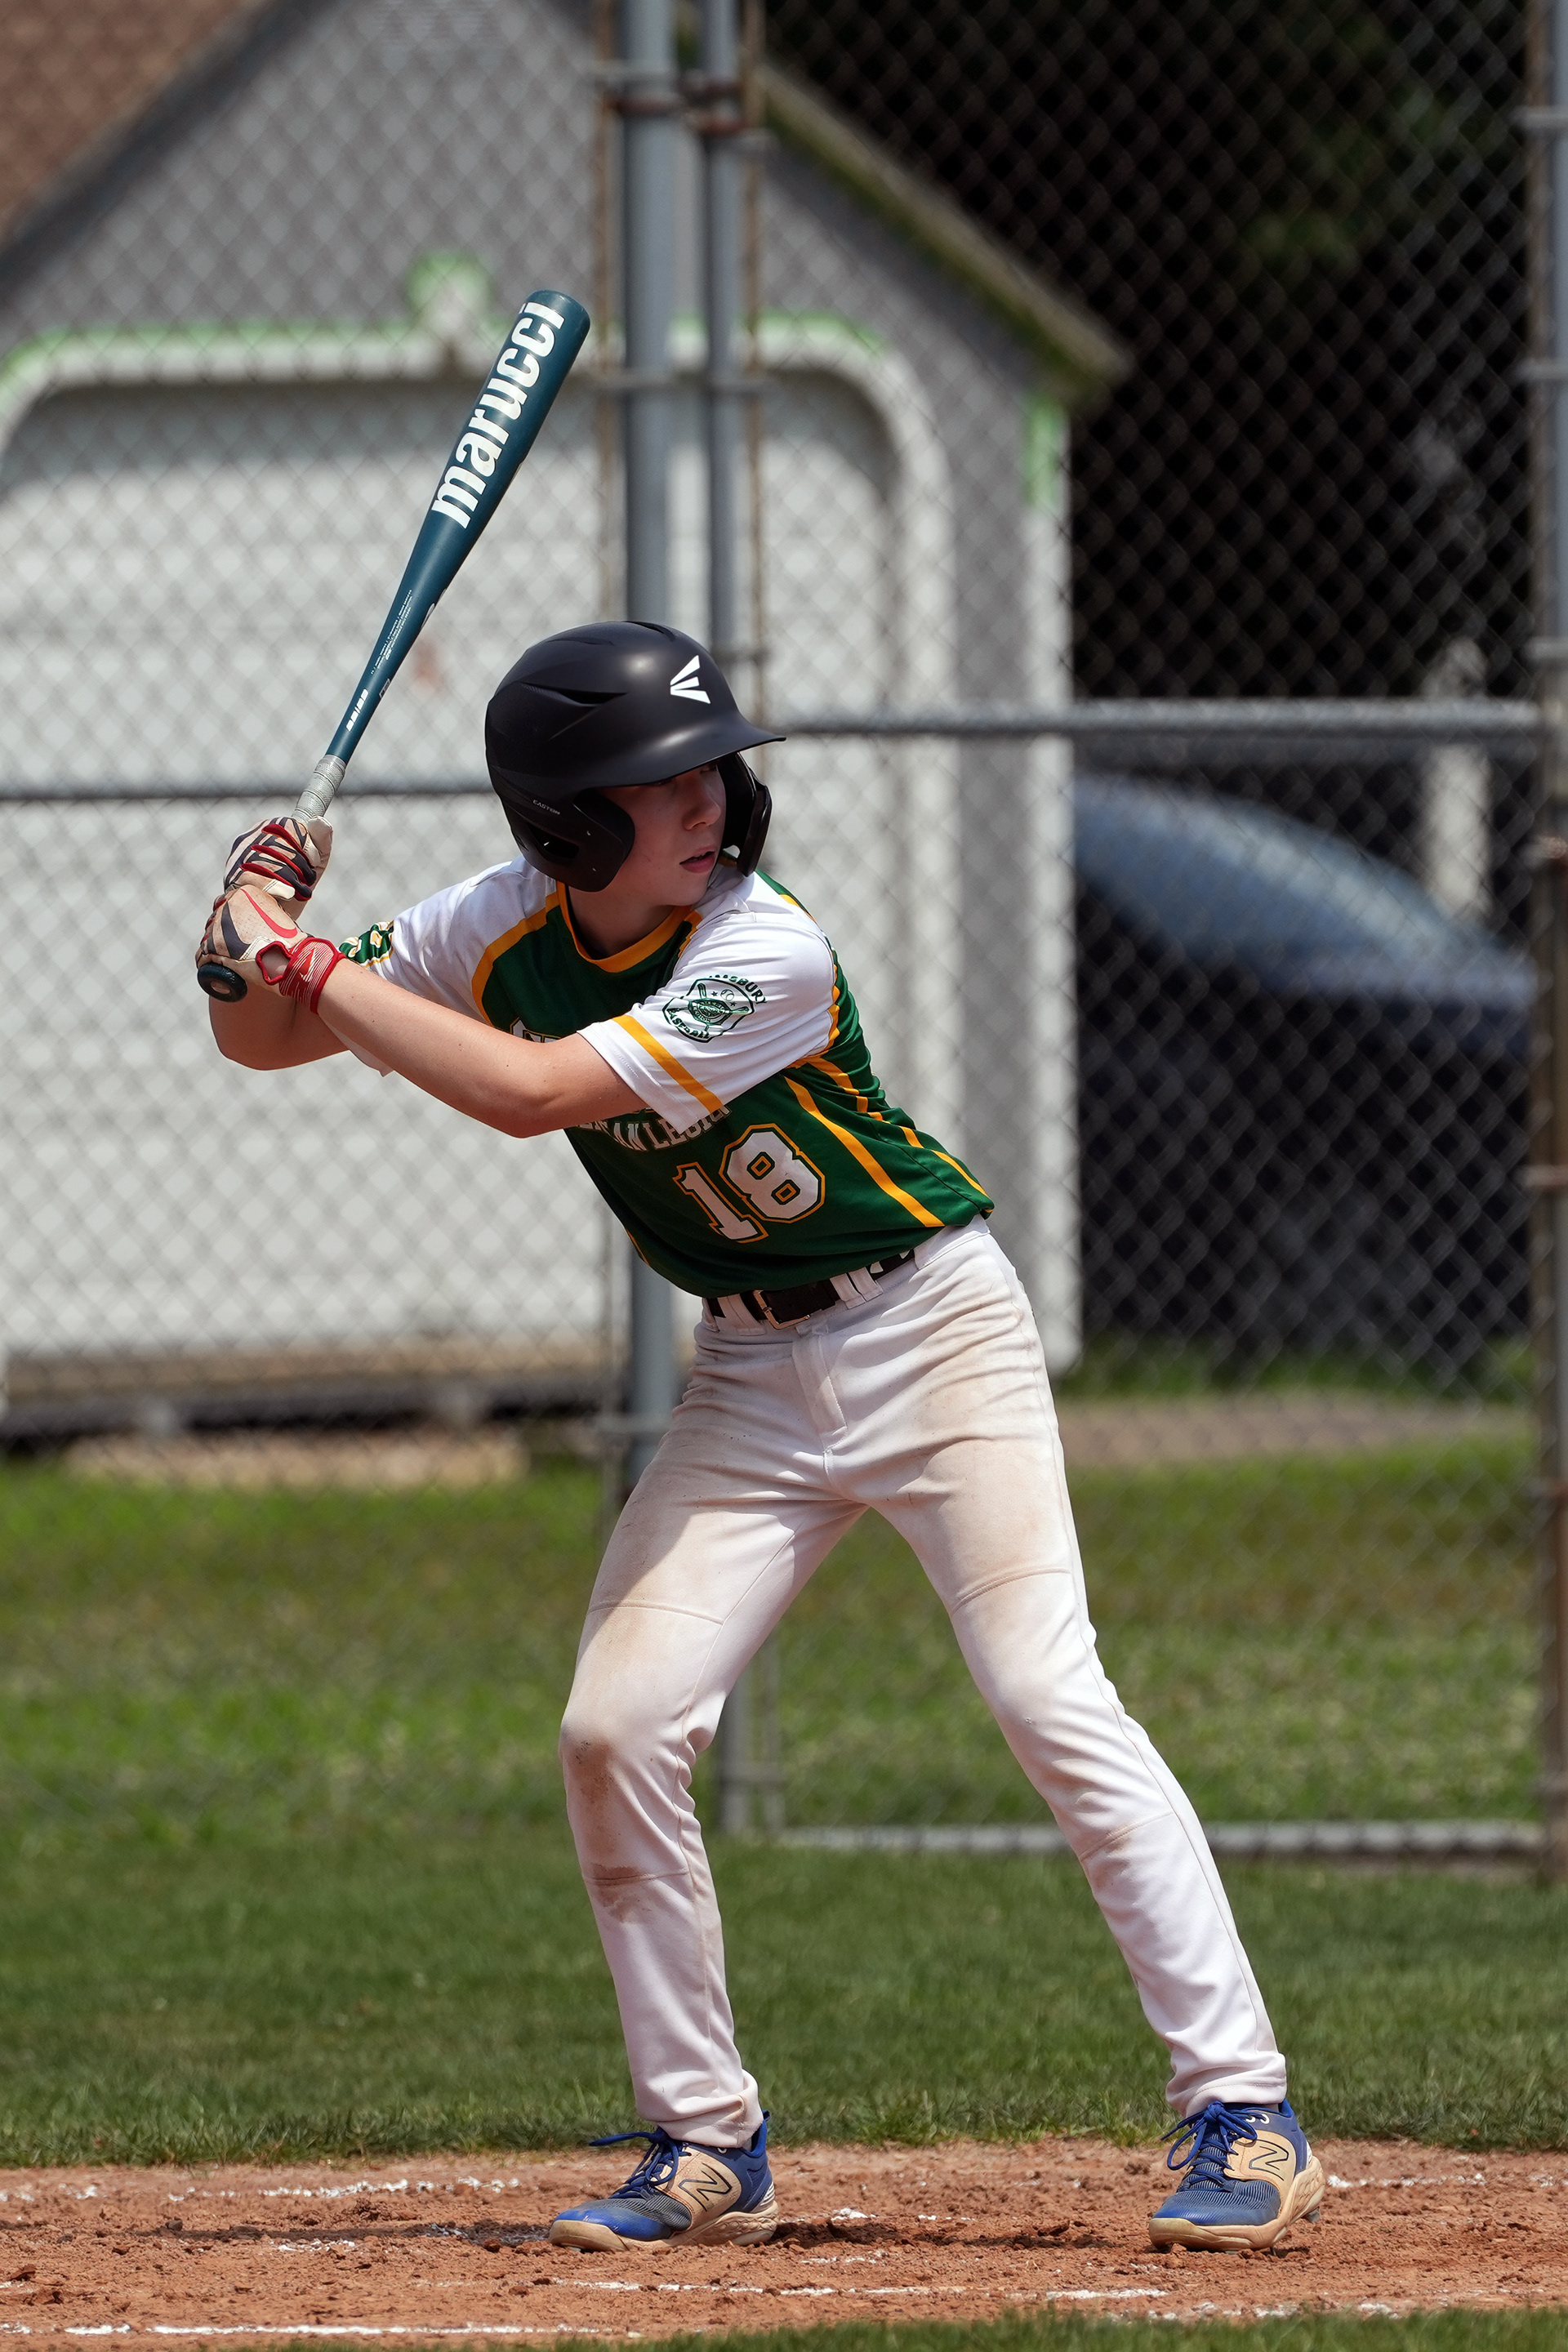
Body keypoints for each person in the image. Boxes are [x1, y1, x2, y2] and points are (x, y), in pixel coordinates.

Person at [200, 619, 1324, 2259]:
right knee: (616, 1728)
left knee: (1044, 1691)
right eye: (661, 784)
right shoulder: (494, 924)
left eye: (712, 771)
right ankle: (705, 2137)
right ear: (566, 825)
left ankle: (1247, 2109)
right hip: (751, 1372)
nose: (707, 802)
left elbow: (528, 1093)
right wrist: (244, 927)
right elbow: (261, 1037)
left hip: (932, 1331)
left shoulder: (764, 945)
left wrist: (303, 960)